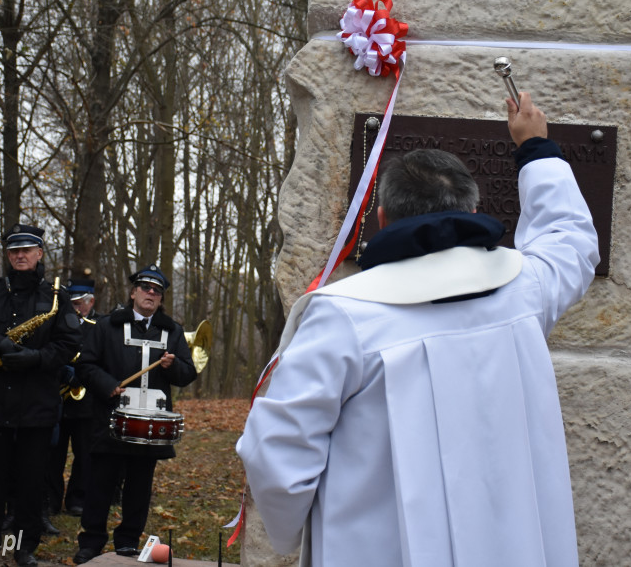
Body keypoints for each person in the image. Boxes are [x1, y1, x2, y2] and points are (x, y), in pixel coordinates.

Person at [237, 92, 600, 567]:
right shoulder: (524, 290)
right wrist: (536, 148)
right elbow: (570, 240)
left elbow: (278, 454)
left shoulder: (344, 317)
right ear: (471, 212)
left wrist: (290, 530)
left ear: (382, 218)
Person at [0, 225, 82, 567]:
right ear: (8, 256)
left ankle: (25, 548)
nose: (20, 256)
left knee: (30, 482)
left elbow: (71, 343)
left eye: (27, 250)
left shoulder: (57, 297)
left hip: (37, 404)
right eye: (14, 251)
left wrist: (37, 358)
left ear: (40, 254)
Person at [73, 265, 197, 564]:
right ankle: (91, 541)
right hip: (110, 419)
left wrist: (173, 366)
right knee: (100, 482)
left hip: (150, 424)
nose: (150, 294)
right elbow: (85, 365)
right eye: (145, 288)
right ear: (133, 292)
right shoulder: (107, 326)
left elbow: (187, 373)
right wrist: (107, 384)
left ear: (161, 298)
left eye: (157, 291)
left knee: (140, 487)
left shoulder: (172, 330)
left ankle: (127, 541)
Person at [45, 278, 98, 518]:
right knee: (53, 454)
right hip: (58, 398)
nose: (76, 309)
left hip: (86, 402)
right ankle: (50, 500)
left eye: (80, 304)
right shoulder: (59, 321)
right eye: (72, 304)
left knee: (84, 454)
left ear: (91, 301)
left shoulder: (98, 326)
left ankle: (78, 499)